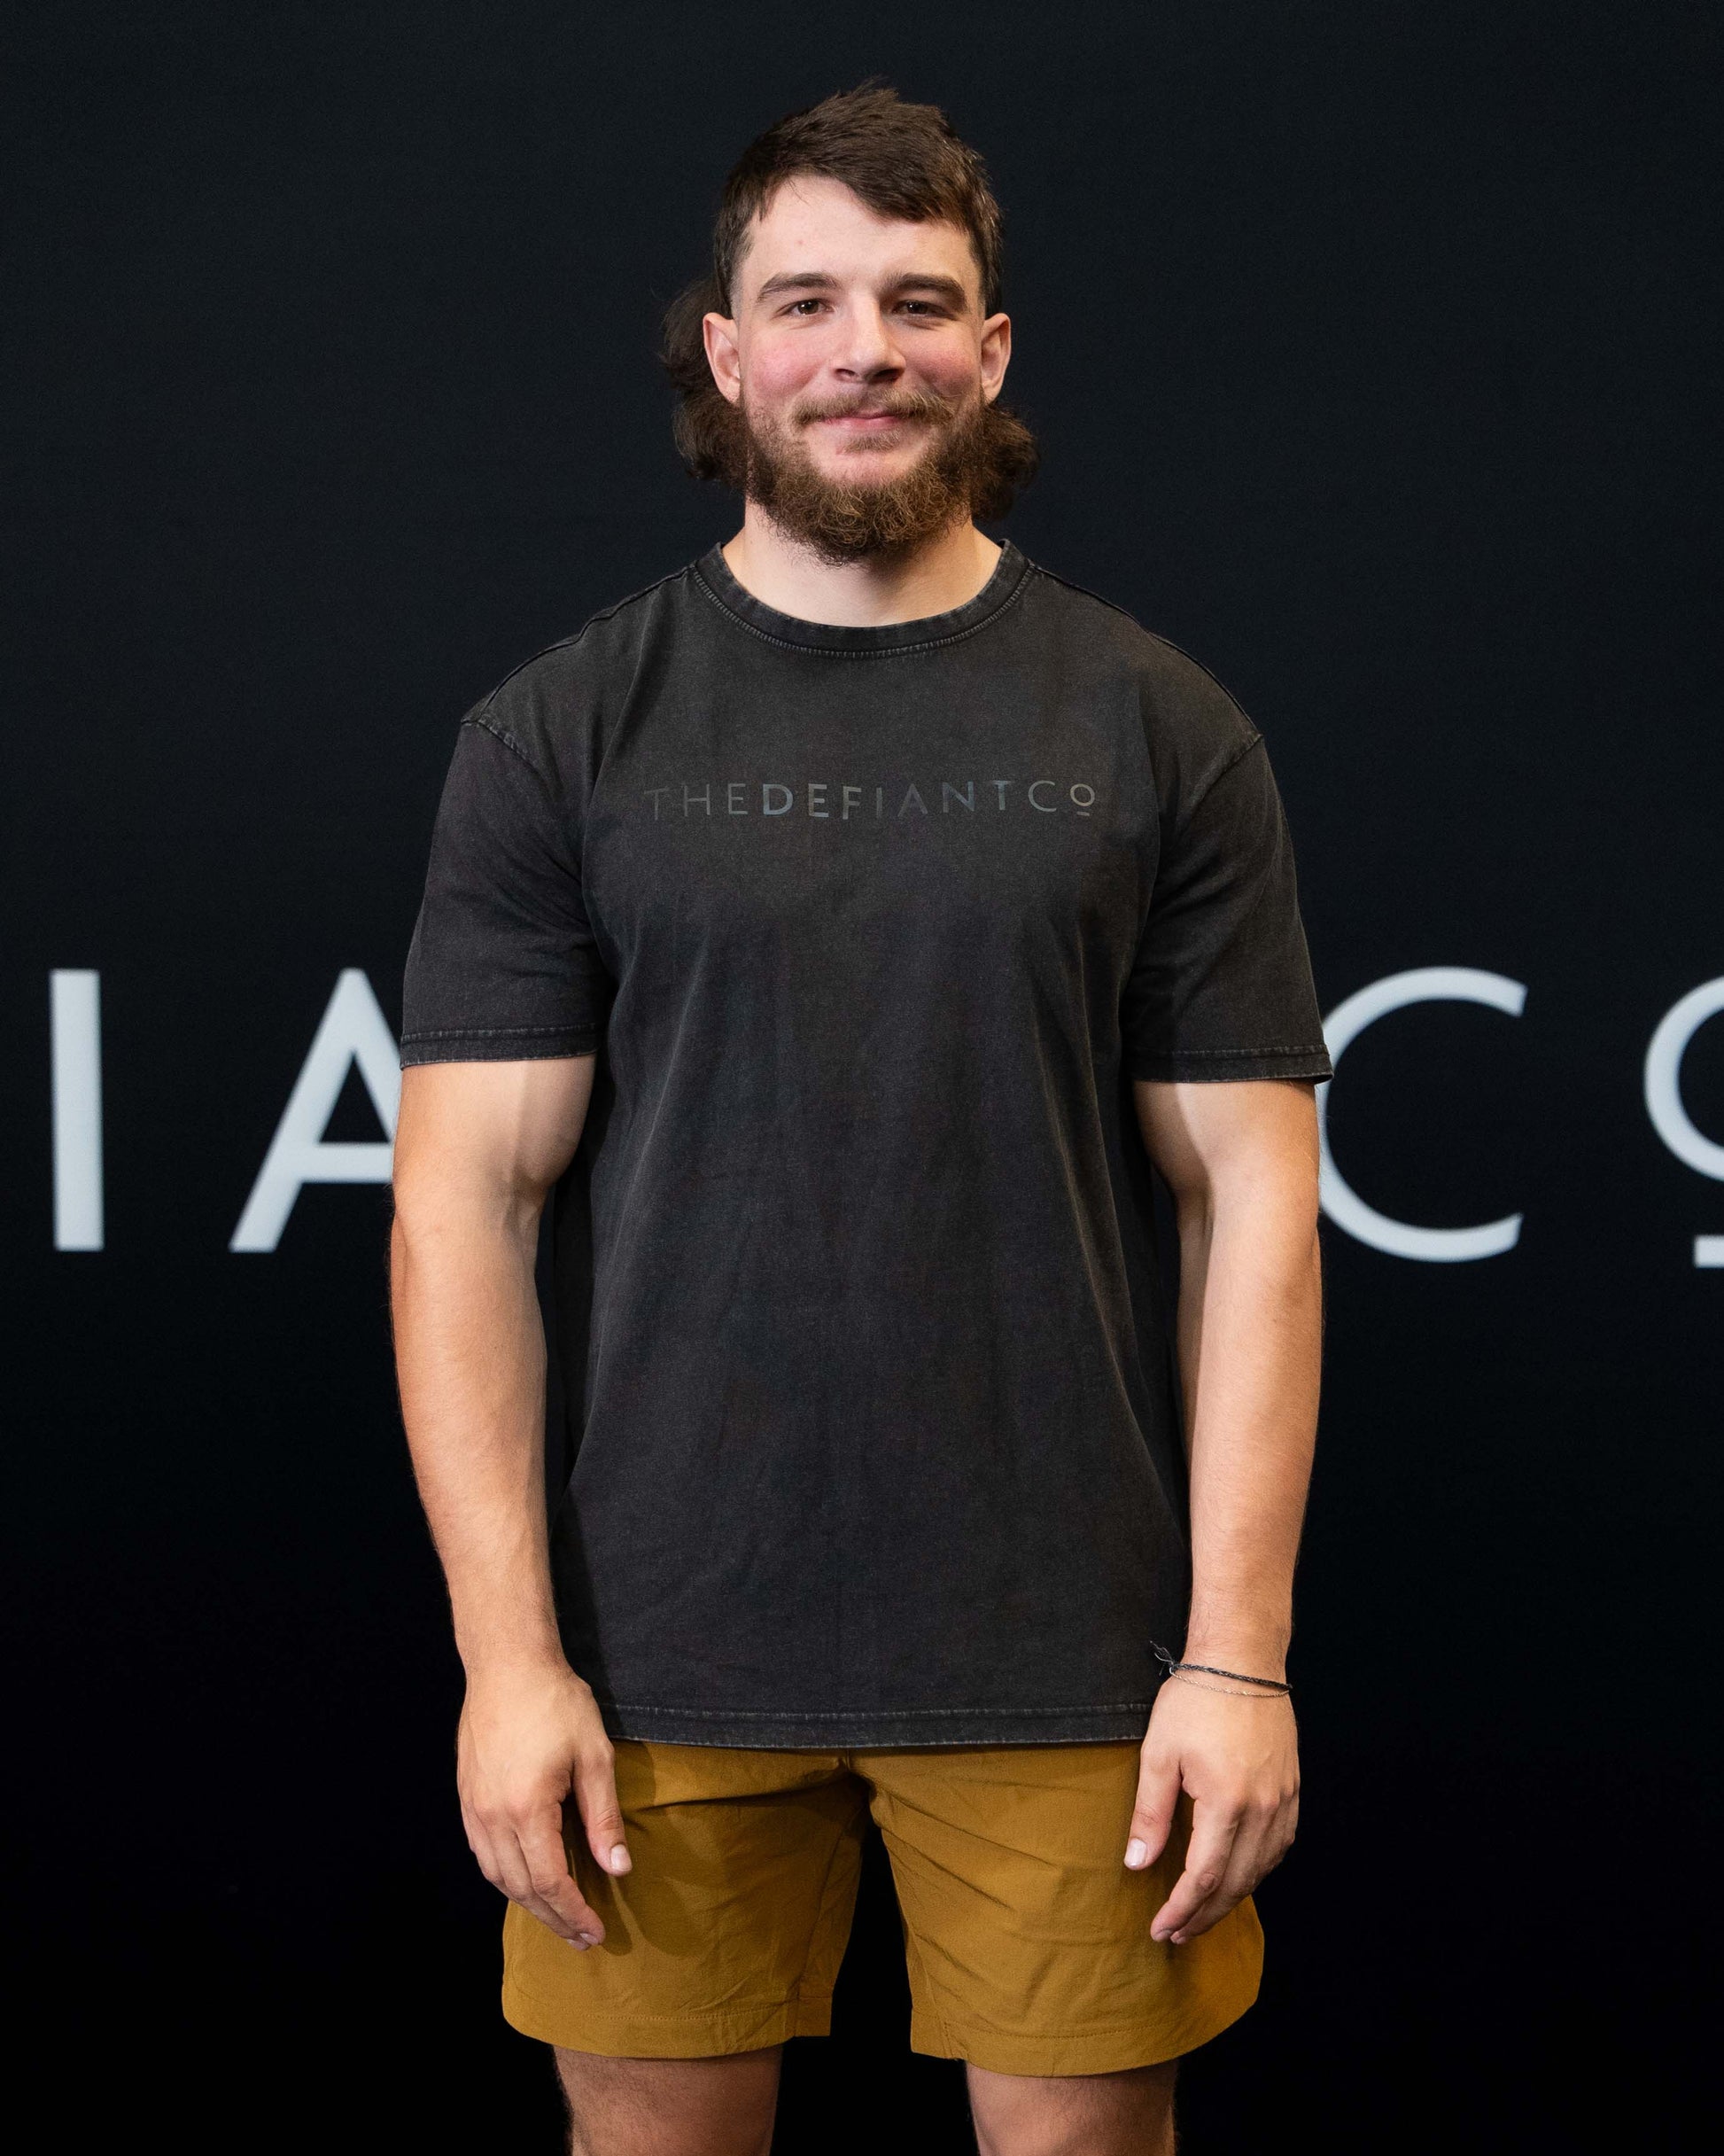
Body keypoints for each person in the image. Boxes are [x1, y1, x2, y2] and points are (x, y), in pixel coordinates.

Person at [390, 82, 1332, 2156]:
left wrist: (1236, 1659)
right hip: (654, 1653)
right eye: (805, 300)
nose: (865, 347)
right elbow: (465, 1190)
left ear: (988, 353)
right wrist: (507, 1660)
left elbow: (1256, 1197)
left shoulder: (1157, 727)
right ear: (727, 355)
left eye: (920, 301)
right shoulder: (562, 728)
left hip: (1075, 1648)